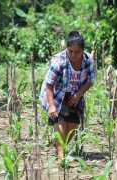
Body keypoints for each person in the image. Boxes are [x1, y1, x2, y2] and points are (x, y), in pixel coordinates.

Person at [39, 30, 96, 160]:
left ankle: (60, 147)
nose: (73, 55)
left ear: (83, 51)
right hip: (56, 94)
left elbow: (90, 80)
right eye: (70, 51)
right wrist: (52, 105)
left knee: (72, 126)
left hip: (74, 96)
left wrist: (79, 94)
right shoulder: (59, 62)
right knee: (60, 122)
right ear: (66, 49)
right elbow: (49, 85)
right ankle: (61, 157)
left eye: (77, 52)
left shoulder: (88, 62)